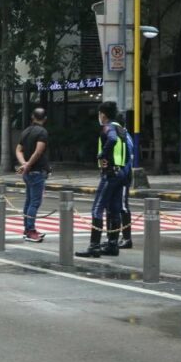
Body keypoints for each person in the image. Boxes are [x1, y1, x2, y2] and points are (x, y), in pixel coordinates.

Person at [76, 102, 128, 258]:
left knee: (97, 209)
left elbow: (111, 140)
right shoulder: (121, 129)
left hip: (110, 173)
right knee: (114, 210)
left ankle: (94, 246)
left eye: (99, 114)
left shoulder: (108, 128)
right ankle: (113, 245)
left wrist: (103, 154)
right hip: (121, 172)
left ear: (103, 114)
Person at [15, 108, 50, 242]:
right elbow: (38, 152)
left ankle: (28, 229)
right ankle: (30, 230)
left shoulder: (26, 131)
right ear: (45, 118)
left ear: (32, 117)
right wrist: (28, 164)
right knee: (35, 202)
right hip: (36, 171)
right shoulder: (42, 132)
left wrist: (23, 163)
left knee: (29, 201)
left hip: (28, 172)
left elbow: (18, 150)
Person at [110, 115, 136, 249]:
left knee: (123, 206)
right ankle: (118, 237)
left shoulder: (125, 137)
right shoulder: (120, 135)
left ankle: (127, 238)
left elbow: (128, 157)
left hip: (123, 175)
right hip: (119, 175)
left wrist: (121, 174)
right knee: (116, 206)